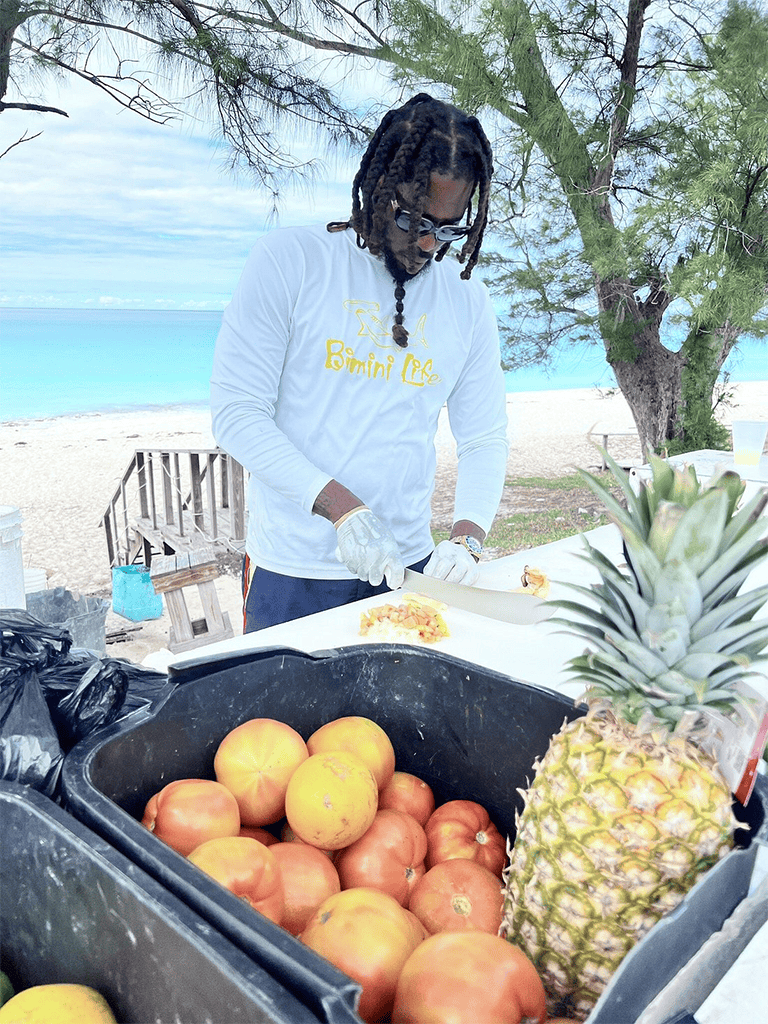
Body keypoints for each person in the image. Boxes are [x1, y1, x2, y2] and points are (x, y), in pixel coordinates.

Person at [210, 92, 509, 632]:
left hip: (407, 571)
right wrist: (342, 508)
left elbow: (484, 438)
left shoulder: (467, 302)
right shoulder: (290, 262)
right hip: (292, 573)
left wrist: (466, 539)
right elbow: (237, 414)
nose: (426, 243)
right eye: (413, 218)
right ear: (378, 187)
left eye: (447, 228)